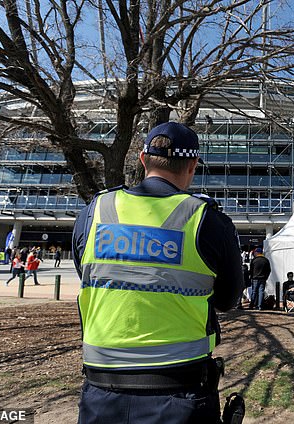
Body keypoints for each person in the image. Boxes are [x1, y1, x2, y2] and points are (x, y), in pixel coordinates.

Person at [72, 121, 243, 424]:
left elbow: (87, 275)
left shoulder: (94, 211)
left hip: (101, 392)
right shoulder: (208, 220)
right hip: (179, 393)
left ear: (142, 159)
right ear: (192, 165)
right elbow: (228, 300)